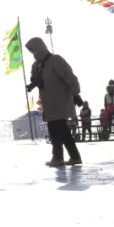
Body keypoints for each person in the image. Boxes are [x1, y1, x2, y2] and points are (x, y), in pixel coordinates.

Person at [24, 37, 82, 166]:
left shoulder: (55, 60)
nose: (34, 55)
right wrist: (32, 85)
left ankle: (60, 157)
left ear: (41, 49)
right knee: (58, 130)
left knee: (58, 129)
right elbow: (36, 79)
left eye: (35, 51)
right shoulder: (37, 65)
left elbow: (69, 76)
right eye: (32, 52)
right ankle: (70, 156)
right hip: (48, 103)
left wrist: (76, 94)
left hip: (60, 101)